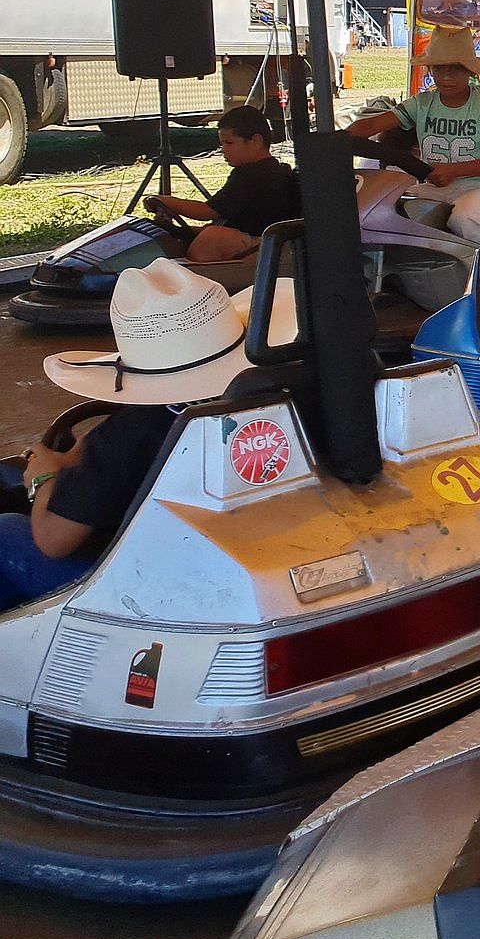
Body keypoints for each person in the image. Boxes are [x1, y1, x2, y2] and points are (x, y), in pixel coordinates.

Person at [4, 259, 294, 610]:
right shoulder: (278, 399)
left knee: (6, 529)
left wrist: (44, 478)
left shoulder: (132, 434)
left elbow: (53, 541)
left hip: (156, 590)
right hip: (252, 556)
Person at [347, 23, 480, 243]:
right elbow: (371, 126)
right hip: (434, 187)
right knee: (386, 213)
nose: (447, 76)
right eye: (439, 68)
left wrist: (454, 171)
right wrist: (339, 139)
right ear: (430, 70)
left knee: (467, 217)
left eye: (455, 68)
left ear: (469, 71)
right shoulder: (421, 104)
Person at [147, 105, 300, 263]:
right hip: (255, 239)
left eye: (229, 143)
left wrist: (164, 200)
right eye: (222, 144)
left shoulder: (255, 175)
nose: (223, 150)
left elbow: (206, 212)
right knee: (203, 232)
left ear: (256, 141)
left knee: (212, 238)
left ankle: (193, 279)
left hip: (263, 245)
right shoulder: (262, 171)